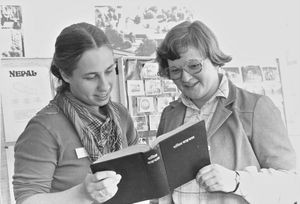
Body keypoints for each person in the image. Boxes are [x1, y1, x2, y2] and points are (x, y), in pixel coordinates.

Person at [156, 20, 298, 204]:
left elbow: (292, 185)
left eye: (193, 66)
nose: (185, 77)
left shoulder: (256, 108)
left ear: (214, 60)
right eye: (175, 70)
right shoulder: (170, 114)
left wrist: (237, 181)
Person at [13, 22, 138, 204]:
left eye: (110, 71)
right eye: (91, 77)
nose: (105, 85)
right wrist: (83, 194)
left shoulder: (121, 115)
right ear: (65, 74)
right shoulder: (43, 128)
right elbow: (26, 200)